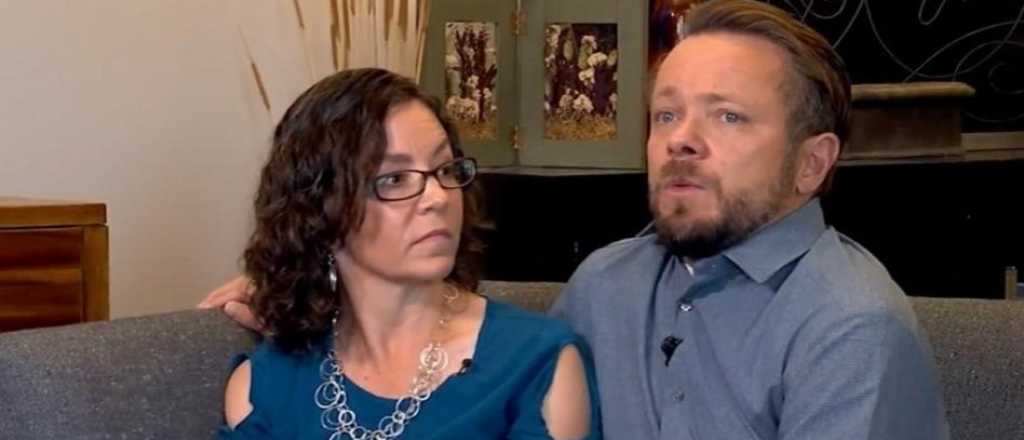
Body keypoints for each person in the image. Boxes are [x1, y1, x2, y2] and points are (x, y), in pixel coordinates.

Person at [203, 1, 949, 438]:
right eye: (666, 114)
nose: (681, 140)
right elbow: (485, 349)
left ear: (812, 164)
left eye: (727, 116)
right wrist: (312, 296)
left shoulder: (851, 326)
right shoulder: (608, 282)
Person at [213, 68, 599, 439]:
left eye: (445, 169)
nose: (438, 197)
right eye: (395, 178)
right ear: (320, 209)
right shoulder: (263, 387)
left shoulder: (538, 361)